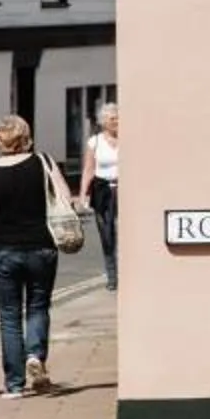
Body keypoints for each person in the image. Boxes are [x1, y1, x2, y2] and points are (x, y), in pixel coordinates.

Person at [0, 115, 61, 397]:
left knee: (9, 315)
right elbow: (64, 195)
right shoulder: (43, 162)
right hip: (42, 245)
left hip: (5, 249)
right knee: (38, 306)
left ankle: (15, 384)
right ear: (25, 136)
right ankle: (35, 355)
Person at [77, 103, 120, 291]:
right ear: (103, 122)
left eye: (118, 118)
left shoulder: (129, 138)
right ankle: (112, 277)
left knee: (126, 234)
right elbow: (88, 170)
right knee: (107, 235)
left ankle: (127, 272)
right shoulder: (94, 142)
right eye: (112, 119)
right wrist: (82, 195)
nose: (117, 121)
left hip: (124, 190)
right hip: (102, 191)